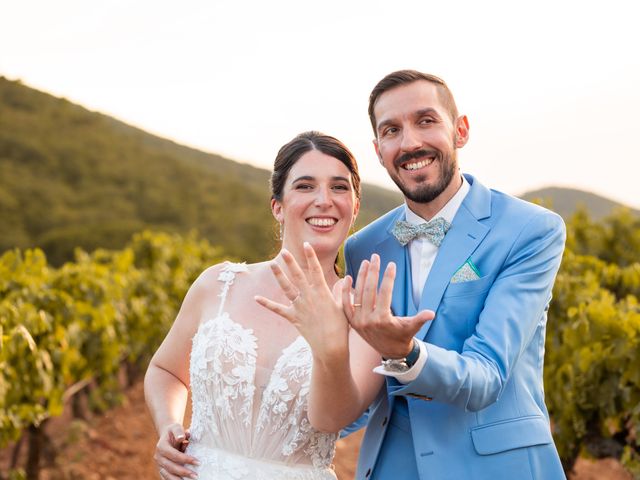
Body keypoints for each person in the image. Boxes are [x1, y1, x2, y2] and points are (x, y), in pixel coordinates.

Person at [339, 70, 567, 480]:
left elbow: (486, 377)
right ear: (377, 149)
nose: (410, 143)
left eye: (426, 121)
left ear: (460, 130)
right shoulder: (362, 247)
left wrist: (405, 353)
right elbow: (366, 391)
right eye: (392, 130)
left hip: (499, 468)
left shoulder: (531, 230)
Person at [144, 131, 384, 480]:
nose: (324, 200)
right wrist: (167, 423)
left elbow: (331, 419)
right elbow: (166, 370)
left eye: (339, 187)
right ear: (278, 206)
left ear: (355, 207)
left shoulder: (363, 313)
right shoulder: (217, 284)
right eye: (305, 186)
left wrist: (329, 345)